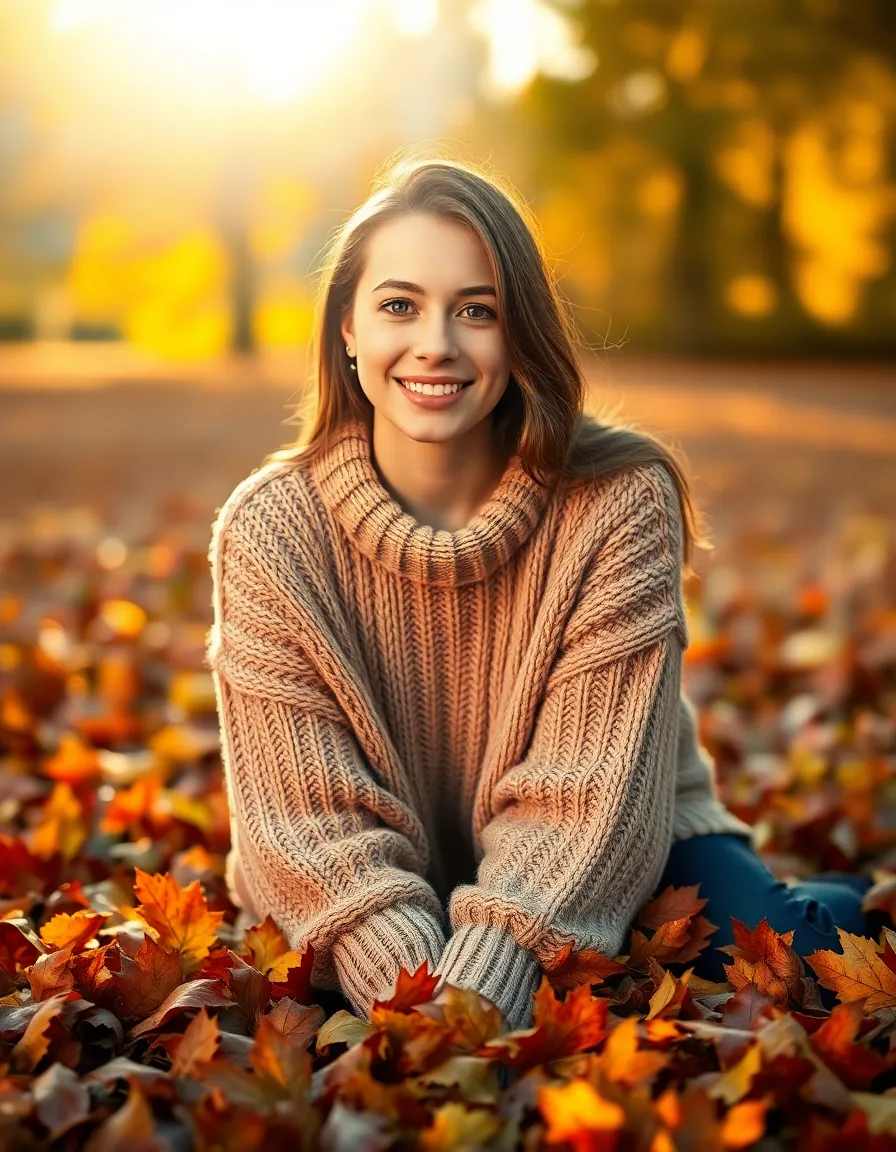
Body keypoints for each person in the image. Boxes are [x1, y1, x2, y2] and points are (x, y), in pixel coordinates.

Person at [206, 154, 882, 1030]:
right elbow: (303, 824)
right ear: (347, 327)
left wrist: (482, 990)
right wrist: (418, 999)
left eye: (476, 311)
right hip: (370, 882)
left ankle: (858, 898)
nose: (436, 343)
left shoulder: (617, 501)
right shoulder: (270, 531)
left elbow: (591, 803)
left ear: (517, 333)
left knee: (797, 965)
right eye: (399, 304)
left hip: (622, 842)